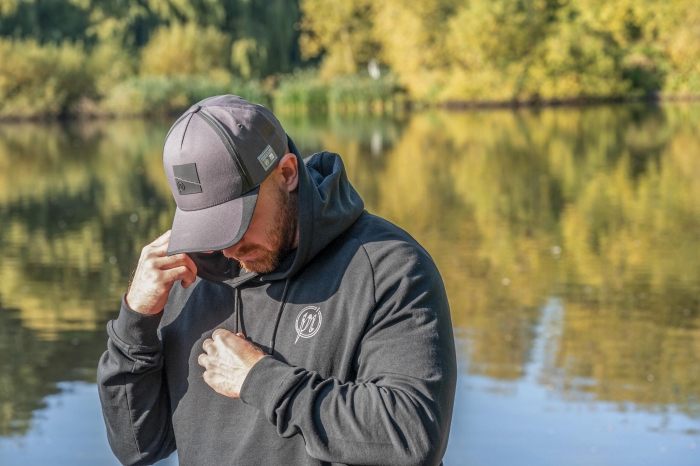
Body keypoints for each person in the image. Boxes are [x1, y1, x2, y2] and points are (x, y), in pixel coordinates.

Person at [97, 95, 457, 466]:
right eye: (210, 227)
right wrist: (136, 321)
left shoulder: (389, 267)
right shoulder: (188, 275)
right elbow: (138, 446)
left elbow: (413, 436)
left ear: (286, 174)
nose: (227, 249)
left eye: (237, 220)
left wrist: (260, 380)